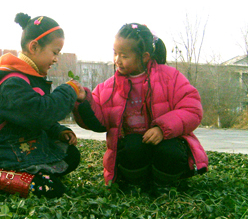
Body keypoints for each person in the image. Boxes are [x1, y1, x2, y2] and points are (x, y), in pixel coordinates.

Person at [73, 23, 208, 191]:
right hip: (134, 148)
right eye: (115, 53)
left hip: (167, 141)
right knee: (132, 145)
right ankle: (136, 184)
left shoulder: (171, 77)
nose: (117, 60)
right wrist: (83, 100)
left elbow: (192, 109)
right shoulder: (109, 87)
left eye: (124, 56)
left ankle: (164, 184)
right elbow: (99, 120)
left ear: (144, 57)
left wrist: (162, 128)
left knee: (170, 150)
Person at [0, 13, 85, 198]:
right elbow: (40, 113)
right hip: (4, 152)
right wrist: (69, 90)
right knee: (51, 189)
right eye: (54, 52)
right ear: (34, 47)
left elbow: (34, 117)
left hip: (24, 146)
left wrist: (57, 130)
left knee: (71, 155)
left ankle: (29, 174)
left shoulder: (29, 77)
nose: (56, 59)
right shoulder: (12, 83)